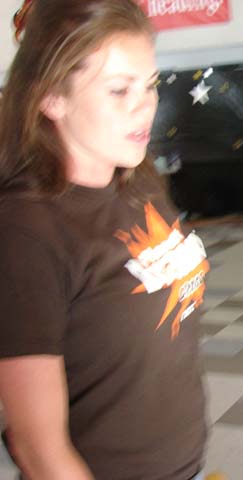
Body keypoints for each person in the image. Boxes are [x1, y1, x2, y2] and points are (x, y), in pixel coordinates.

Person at [0, 1, 208, 479]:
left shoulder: (137, 177)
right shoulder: (26, 233)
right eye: (119, 89)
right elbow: (38, 449)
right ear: (52, 98)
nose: (145, 106)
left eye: (150, 85)